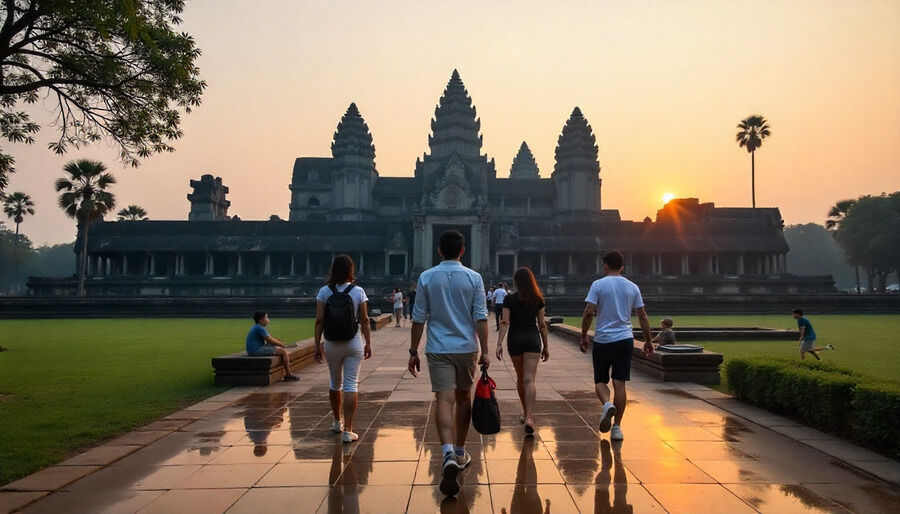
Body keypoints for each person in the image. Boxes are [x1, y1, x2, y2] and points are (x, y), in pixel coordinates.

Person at [408, 229, 490, 497]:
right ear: (463, 251)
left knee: (443, 400)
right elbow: (481, 317)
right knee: (464, 399)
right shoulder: (474, 278)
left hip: (438, 348)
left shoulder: (427, 277)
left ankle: (446, 453)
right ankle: (459, 450)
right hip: (467, 347)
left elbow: (419, 317)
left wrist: (413, 351)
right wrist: (486, 350)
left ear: (439, 250)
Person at [580, 251, 653, 441]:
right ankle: (617, 428)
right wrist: (648, 340)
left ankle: (606, 404)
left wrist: (583, 336)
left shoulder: (598, 285)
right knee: (620, 383)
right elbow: (642, 316)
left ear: (605, 266)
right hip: (625, 339)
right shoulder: (632, 287)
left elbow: (589, 312)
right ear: (622, 266)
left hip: (604, 338)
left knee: (600, 381)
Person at [314, 254, 372, 443]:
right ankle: (348, 430)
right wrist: (368, 342)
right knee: (350, 384)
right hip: (353, 341)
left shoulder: (324, 291)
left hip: (331, 343)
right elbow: (364, 320)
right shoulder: (358, 291)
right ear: (351, 271)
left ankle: (337, 421)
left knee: (334, 383)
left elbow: (320, 320)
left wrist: (317, 345)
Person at [496, 266, 549, 435]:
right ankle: (530, 417)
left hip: (515, 339)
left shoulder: (509, 299)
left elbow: (505, 322)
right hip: (533, 339)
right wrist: (546, 345)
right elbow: (542, 325)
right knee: (530, 380)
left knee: (520, 378)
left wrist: (499, 343)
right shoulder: (538, 299)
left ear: (516, 282)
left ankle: (526, 413)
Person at [246, 311, 300, 382]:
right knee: (283, 352)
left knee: (279, 349)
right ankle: (288, 374)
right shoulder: (259, 328)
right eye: (266, 317)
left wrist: (277, 342)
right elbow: (270, 340)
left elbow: (269, 340)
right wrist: (280, 344)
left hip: (254, 349)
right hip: (256, 350)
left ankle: (288, 374)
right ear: (261, 320)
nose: (268, 320)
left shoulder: (257, 327)